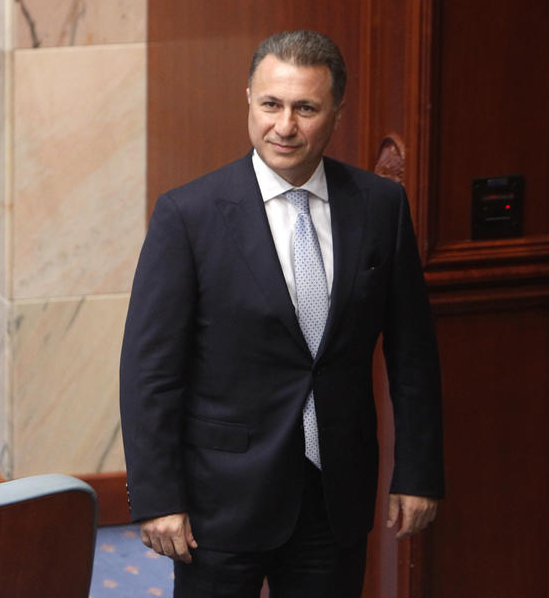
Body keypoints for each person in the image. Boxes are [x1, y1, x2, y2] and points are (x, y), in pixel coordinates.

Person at [120, 30, 444, 597]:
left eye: (306, 109)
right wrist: (158, 497)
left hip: (335, 495)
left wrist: (418, 472)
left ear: (336, 112)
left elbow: (412, 355)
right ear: (249, 99)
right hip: (219, 501)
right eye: (271, 104)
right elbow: (150, 372)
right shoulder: (188, 215)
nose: (284, 126)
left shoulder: (381, 207)